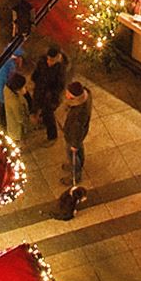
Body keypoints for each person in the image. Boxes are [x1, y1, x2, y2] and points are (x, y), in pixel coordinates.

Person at [57, 73, 93, 210]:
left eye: (68, 93)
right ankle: (78, 164)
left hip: (73, 137)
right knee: (79, 151)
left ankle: (76, 174)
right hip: (79, 134)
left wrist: (73, 144)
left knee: (73, 154)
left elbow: (76, 130)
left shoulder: (78, 114)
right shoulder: (86, 96)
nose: (65, 94)